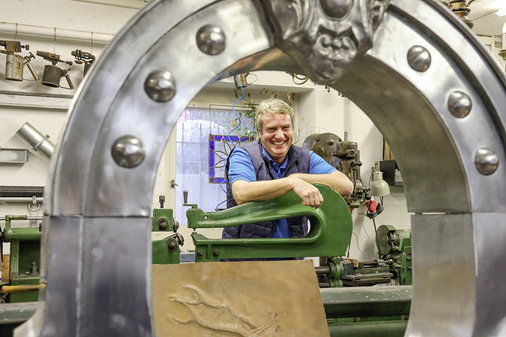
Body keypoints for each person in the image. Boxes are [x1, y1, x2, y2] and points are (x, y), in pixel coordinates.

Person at [222, 98, 353, 239]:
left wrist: (299, 178)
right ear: (259, 132)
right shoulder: (244, 155)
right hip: (246, 255)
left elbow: (346, 186)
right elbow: (241, 193)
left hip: (292, 255)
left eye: (285, 128)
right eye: (271, 129)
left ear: (292, 130)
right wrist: (291, 183)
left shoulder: (305, 157)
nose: (279, 135)